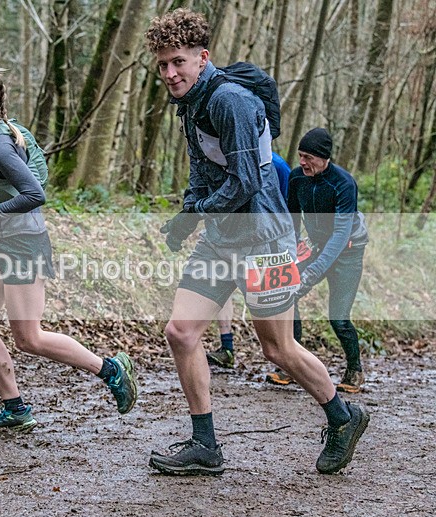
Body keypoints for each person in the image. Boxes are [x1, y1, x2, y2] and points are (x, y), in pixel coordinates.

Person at [144, 9, 369, 476]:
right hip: (223, 239)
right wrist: (186, 219)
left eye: (178, 62)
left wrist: (200, 213)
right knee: (181, 332)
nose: (169, 73)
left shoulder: (231, 102)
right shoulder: (191, 105)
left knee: (277, 348)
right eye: (163, 64)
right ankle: (205, 445)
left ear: (202, 58)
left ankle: (343, 417)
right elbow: (203, 171)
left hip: (266, 239)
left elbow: (245, 181)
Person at [0, 68, 137, 431]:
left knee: (29, 338)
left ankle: (111, 369)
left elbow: (35, 194)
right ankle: (15, 408)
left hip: (22, 244)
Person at [265, 128, 369, 393]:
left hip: (347, 250)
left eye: (308, 157)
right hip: (317, 245)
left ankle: (354, 368)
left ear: (324, 158)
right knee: (289, 291)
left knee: (338, 317)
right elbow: (291, 218)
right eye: (300, 156)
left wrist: (311, 273)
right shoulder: (297, 178)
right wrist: (290, 252)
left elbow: (339, 235)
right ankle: (291, 363)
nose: (302, 162)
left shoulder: (344, 183)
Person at [206, 152, 292, 368]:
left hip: (267, 245)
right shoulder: (222, 159)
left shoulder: (278, 165)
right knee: (220, 289)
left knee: (275, 326)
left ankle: (289, 359)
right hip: (228, 241)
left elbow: (286, 205)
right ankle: (226, 347)